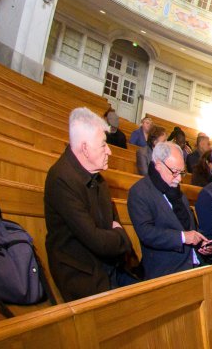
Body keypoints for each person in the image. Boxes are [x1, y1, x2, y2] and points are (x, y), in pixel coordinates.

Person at [44, 108, 134, 301]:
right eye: (103, 145)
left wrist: (116, 235)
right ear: (85, 148)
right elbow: (98, 241)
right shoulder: (61, 179)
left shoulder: (97, 177)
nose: (109, 151)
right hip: (83, 275)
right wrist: (119, 235)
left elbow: (111, 226)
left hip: (110, 266)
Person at [127, 140, 212, 278]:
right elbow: (146, 233)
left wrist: (202, 244)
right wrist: (183, 237)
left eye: (182, 172)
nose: (179, 178)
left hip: (194, 263)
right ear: (159, 166)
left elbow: (190, 228)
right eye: (174, 172)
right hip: (167, 270)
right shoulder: (140, 192)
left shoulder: (178, 193)